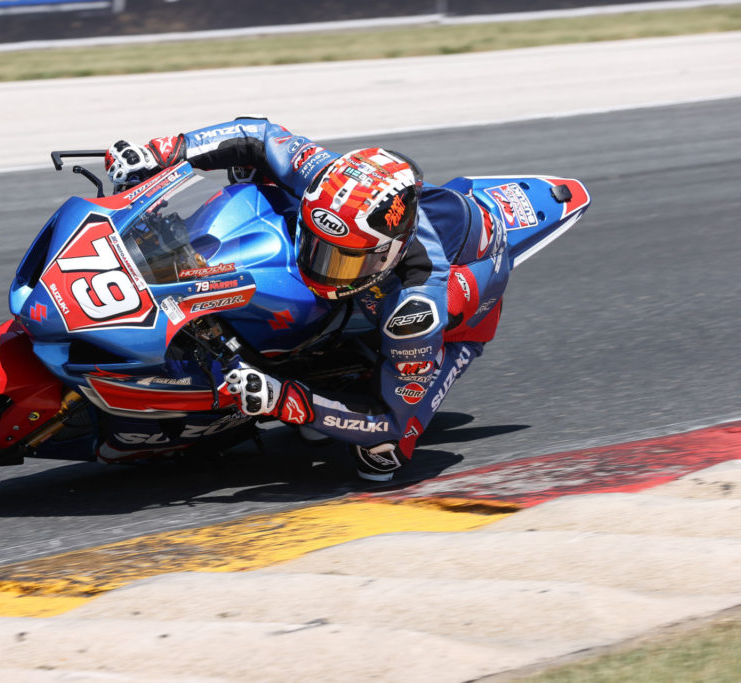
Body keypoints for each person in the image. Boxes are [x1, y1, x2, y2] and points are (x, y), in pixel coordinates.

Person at [104, 117, 509, 481]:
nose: (322, 269)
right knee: (253, 171)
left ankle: (358, 379)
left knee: (382, 457)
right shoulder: (330, 180)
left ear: (388, 254)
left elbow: (388, 421)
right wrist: (161, 153)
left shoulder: (415, 311)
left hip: (471, 285)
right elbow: (257, 135)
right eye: (317, 246)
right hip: (407, 231)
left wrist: (287, 399)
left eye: (342, 260)